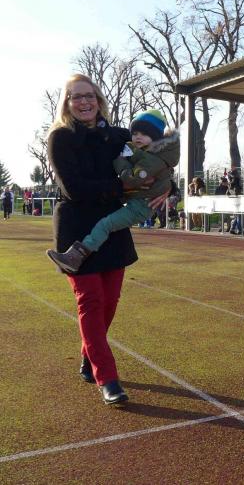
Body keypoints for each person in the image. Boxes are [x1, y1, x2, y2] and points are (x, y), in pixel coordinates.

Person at [45, 74, 168, 405]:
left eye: (89, 96)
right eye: (76, 97)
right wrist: (123, 187)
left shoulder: (119, 135)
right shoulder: (60, 137)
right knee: (90, 301)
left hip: (112, 228)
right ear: (67, 103)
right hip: (77, 229)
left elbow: (158, 156)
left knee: (110, 302)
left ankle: (89, 356)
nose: (84, 102)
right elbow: (73, 188)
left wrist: (167, 184)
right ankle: (108, 378)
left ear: (98, 100)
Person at [47, 109, 179, 273]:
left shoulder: (150, 157)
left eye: (144, 134)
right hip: (135, 200)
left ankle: (77, 256)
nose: (138, 137)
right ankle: (76, 255)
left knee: (105, 225)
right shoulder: (142, 149)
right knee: (106, 225)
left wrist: (120, 161)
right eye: (135, 133)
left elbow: (132, 179)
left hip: (140, 205)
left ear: (156, 138)